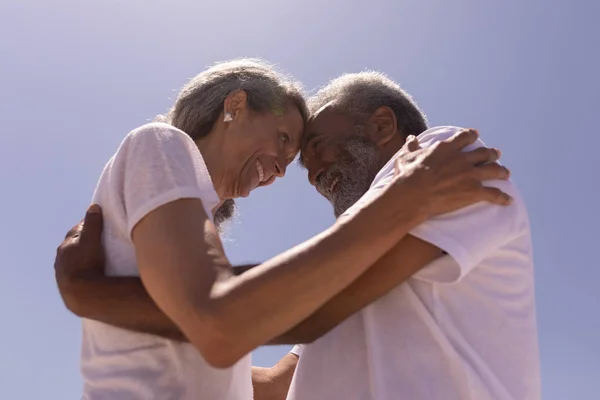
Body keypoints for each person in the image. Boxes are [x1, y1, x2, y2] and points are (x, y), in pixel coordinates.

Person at [54, 61, 513, 400]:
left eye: (298, 152)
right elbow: (222, 319)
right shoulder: (161, 142)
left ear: (383, 126)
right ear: (235, 105)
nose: (292, 172)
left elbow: (258, 377)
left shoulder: (438, 160)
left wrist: (93, 296)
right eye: (284, 140)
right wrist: (403, 199)